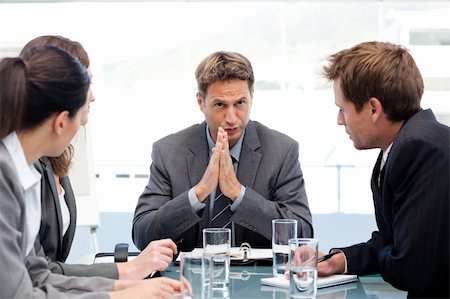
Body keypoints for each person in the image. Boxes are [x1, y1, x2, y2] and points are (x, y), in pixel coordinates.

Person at [0, 45, 180, 298]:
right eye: (82, 114)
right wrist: (119, 295)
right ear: (61, 122)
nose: (83, 125)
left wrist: (128, 287)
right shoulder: (5, 176)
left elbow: (38, 277)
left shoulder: (22, 171)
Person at [132, 51, 313, 251]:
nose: (232, 118)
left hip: (257, 277)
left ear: (251, 97)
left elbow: (303, 232)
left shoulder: (281, 150)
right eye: (220, 105)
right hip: (190, 277)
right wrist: (198, 193)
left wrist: (238, 193)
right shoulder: (168, 152)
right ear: (201, 103)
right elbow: (142, 234)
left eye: (240, 103)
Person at [318, 41, 449, 298]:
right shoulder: (407, 143)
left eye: (342, 109)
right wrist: (340, 260)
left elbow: (410, 268)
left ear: (374, 109)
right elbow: (394, 241)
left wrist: (391, 250)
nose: (340, 120)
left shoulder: (419, 149)